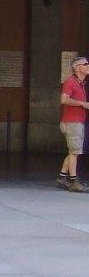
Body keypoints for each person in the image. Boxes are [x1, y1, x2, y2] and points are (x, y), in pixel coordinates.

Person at [57, 55, 89, 191]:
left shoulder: (80, 83)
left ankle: (62, 177)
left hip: (75, 122)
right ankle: (74, 182)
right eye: (85, 64)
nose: (88, 66)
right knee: (75, 153)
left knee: (72, 151)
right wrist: (83, 104)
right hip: (72, 122)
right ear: (77, 68)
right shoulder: (70, 82)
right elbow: (64, 99)